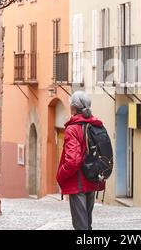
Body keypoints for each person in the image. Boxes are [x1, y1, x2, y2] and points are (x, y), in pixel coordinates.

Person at [57, 91, 105, 230]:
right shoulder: (97, 125)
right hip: (93, 178)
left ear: (73, 108)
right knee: (87, 223)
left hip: (78, 182)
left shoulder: (72, 129)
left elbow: (73, 161)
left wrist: (60, 174)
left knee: (80, 226)